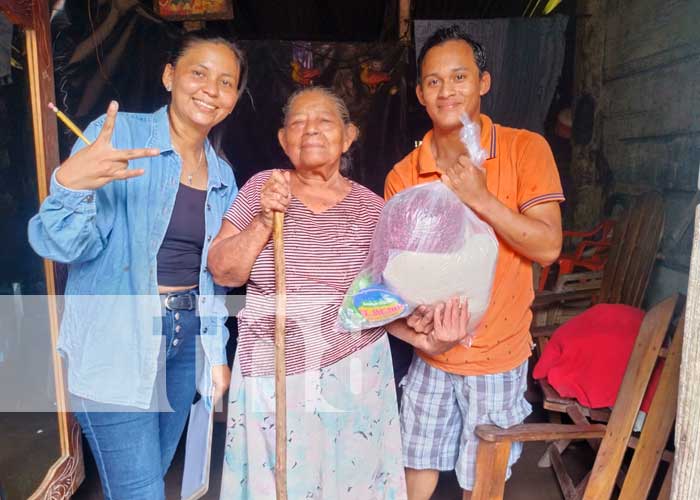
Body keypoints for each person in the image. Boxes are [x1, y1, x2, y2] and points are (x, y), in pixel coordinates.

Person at [27, 32, 246, 500]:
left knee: (153, 473)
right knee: (142, 490)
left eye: (226, 82)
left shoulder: (223, 173)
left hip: (187, 339)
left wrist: (216, 353)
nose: (212, 88)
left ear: (233, 98)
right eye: (198, 73)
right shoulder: (119, 136)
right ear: (170, 77)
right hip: (117, 337)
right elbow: (61, 246)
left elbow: (213, 281)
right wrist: (69, 184)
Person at [211, 86, 452, 499]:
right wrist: (263, 223)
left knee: (351, 483)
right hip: (274, 367)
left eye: (324, 121)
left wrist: (422, 332)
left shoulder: (374, 209)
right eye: (298, 123)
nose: (310, 131)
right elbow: (224, 272)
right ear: (283, 141)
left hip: (355, 370)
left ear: (349, 136)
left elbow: (378, 304)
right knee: (277, 483)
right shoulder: (261, 190)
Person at [384, 26, 565, 499]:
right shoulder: (404, 176)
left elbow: (547, 246)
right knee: (415, 465)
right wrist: (421, 323)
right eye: (434, 81)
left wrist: (480, 199)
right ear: (421, 93)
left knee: (482, 482)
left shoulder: (526, 149)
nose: (448, 91)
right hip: (433, 353)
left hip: (498, 354)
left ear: (483, 82)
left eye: (459, 77)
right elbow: (397, 272)